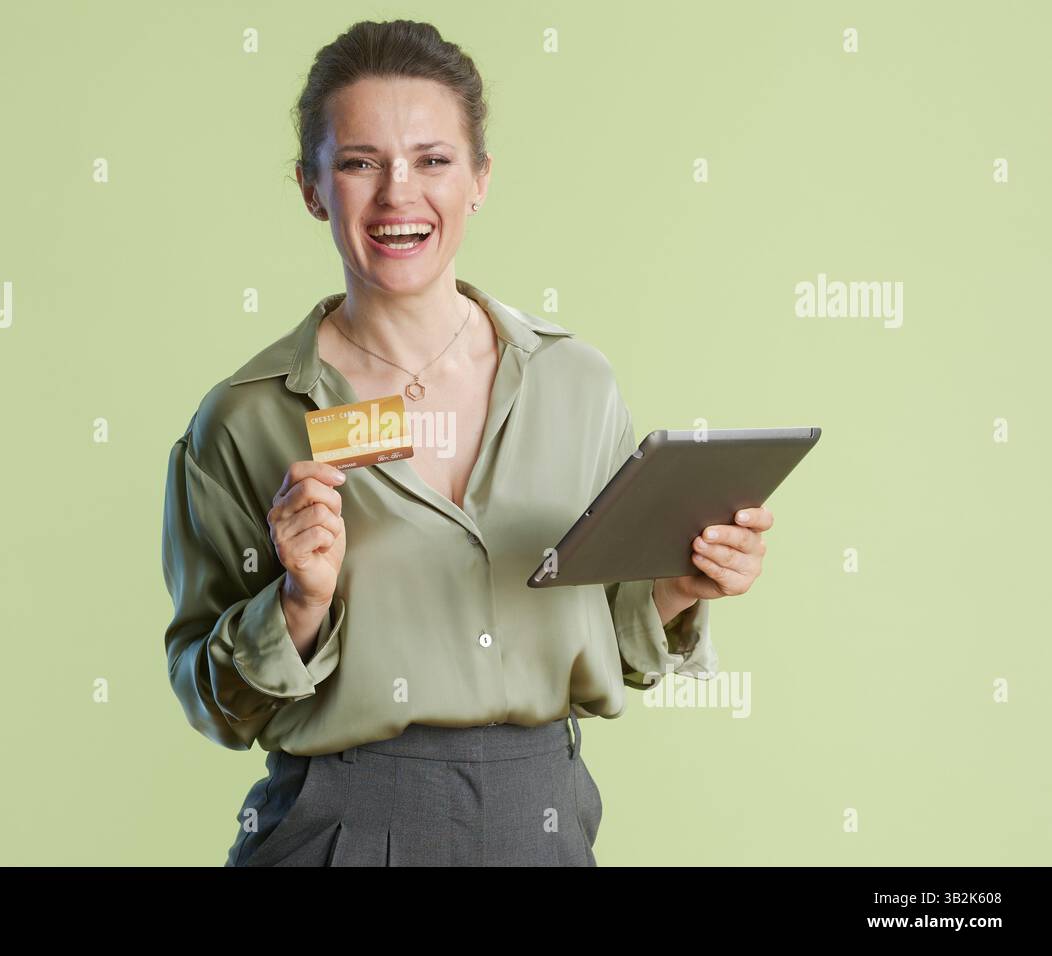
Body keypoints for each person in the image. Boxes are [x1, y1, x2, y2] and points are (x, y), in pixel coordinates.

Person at [160, 19, 773, 866]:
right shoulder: (246, 420)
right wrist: (297, 604)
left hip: (546, 822)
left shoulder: (577, 385)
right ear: (311, 186)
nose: (397, 194)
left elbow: (609, 641)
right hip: (337, 824)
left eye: (433, 159)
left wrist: (676, 587)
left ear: (480, 179)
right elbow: (215, 702)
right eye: (359, 161)